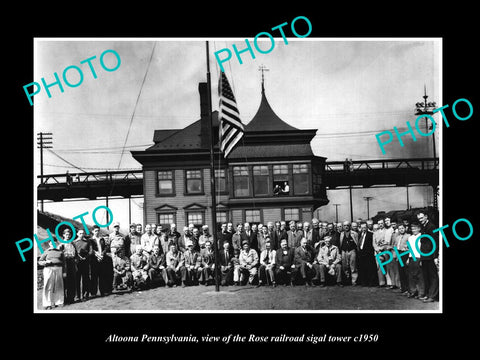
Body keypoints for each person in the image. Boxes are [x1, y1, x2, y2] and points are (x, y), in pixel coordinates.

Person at [416, 211, 439, 303]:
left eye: (421, 218)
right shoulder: (424, 227)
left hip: (430, 255)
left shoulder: (431, 226)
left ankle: (432, 296)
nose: (420, 220)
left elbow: (435, 243)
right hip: (424, 255)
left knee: (433, 276)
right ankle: (428, 294)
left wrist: (435, 256)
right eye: (419, 219)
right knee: (426, 276)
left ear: (426, 216)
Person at [39, 238, 65, 309]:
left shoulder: (60, 252)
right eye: (51, 243)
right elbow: (40, 261)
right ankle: (47, 304)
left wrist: (64, 272)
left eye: (54, 242)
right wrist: (45, 262)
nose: (53, 244)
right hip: (48, 269)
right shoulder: (46, 252)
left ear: (56, 243)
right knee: (48, 286)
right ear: (49, 244)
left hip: (59, 268)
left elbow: (64, 263)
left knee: (59, 285)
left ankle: (59, 302)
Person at [405, 222, 426, 300]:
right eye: (412, 229)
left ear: (419, 229)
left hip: (418, 257)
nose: (413, 230)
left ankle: (421, 293)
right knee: (411, 276)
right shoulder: (410, 238)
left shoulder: (421, 236)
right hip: (411, 257)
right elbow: (410, 249)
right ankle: (413, 291)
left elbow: (422, 249)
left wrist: (421, 259)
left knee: (419, 276)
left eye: (415, 228)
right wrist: (408, 258)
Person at [357, 222, 378, 287]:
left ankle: (371, 283)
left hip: (368, 254)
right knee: (363, 268)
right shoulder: (360, 234)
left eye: (365, 227)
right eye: (362, 227)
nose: (363, 229)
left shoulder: (371, 234)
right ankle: (364, 282)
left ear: (367, 227)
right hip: (361, 254)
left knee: (370, 269)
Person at [89, 225, 108, 297]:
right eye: (95, 231)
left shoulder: (101, 239)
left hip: (102, 258)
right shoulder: (90, 240)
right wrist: (97, 255)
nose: (97, 232)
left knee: (102, 275)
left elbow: (105, 247)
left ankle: (102, 291)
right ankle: (93, 292)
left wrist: (102, 254)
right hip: (94, 259)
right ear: (92, 231)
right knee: (94, 276)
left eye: (98, 230)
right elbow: (91, 249)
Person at [60, 228, 77, 304]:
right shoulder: (61, 244)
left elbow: (75, 254)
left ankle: (71, 298)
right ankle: (65, 299)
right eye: (66, 234)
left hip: (72, 263)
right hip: (65, 263)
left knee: (72, 280)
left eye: (69, 234)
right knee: (65, 281)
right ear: (63, 235)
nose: (68, 236)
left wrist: (75, 261)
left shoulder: (72, 244)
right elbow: (59, 255)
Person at [339, 221, 359, 286]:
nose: (346, 227)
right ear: (343, 226)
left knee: (353, 266)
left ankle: (354, 281)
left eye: (347, 225)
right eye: (344, 225)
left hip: (352, 251)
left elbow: (357, 243)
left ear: (350, 226)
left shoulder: (354, 233)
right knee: (345, 267)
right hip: (344, 251)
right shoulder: (341, 234)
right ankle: (347, 280)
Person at [393, 224, 411, 294]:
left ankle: (409, 289)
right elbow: (395, 247)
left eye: (402, 228)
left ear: (405, 228)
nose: (401, 230)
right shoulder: (397, 237)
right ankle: (403, 288)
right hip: (399, 254)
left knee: (406, 272)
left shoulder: (408, 236)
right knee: (401, 272)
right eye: (400, 229)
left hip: (405, 254)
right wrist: (396, 256)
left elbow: (410, 247)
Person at [73, 229, 90, 301]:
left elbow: (91, 251)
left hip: (85, 262)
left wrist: (86, 256)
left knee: (85, 278)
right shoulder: (74, 242)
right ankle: (78, 296)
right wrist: (79, 257)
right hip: (77, 262)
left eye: (83, 233)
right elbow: (74, 252)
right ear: (77, 234)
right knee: (77, 279)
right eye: (80, 233)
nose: (81, 235)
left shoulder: (87, 242)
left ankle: (85, 294)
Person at [373, 219, 387, 287]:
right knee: (379, 267)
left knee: (386, 266)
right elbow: (374, 243)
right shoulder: (375, 233)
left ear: (383, 224)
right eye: (379, 224)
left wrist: (383, 248)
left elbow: (387, 241)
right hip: (378, 252)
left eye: (381, 223)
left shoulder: (387, 231)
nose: (380, 225)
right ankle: (382, 282)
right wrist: (377, 249)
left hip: (385, 251)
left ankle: (389, 282)